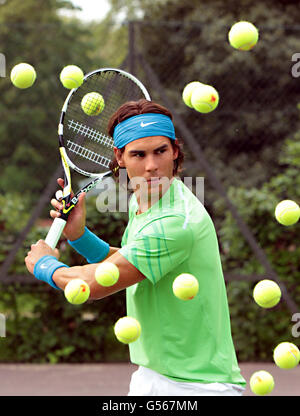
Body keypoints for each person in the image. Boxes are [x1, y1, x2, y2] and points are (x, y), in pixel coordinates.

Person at [25, 99, 246, 396]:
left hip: (199, 386)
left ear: (175, 151)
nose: (152, 165)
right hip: (154, 374)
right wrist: (79, 236)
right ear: (120, 158)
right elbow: (130, 263)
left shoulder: (176, 222)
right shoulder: (144, 200)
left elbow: (94, 284)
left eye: (160, 151)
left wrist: (45, 265)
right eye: (138, 154)